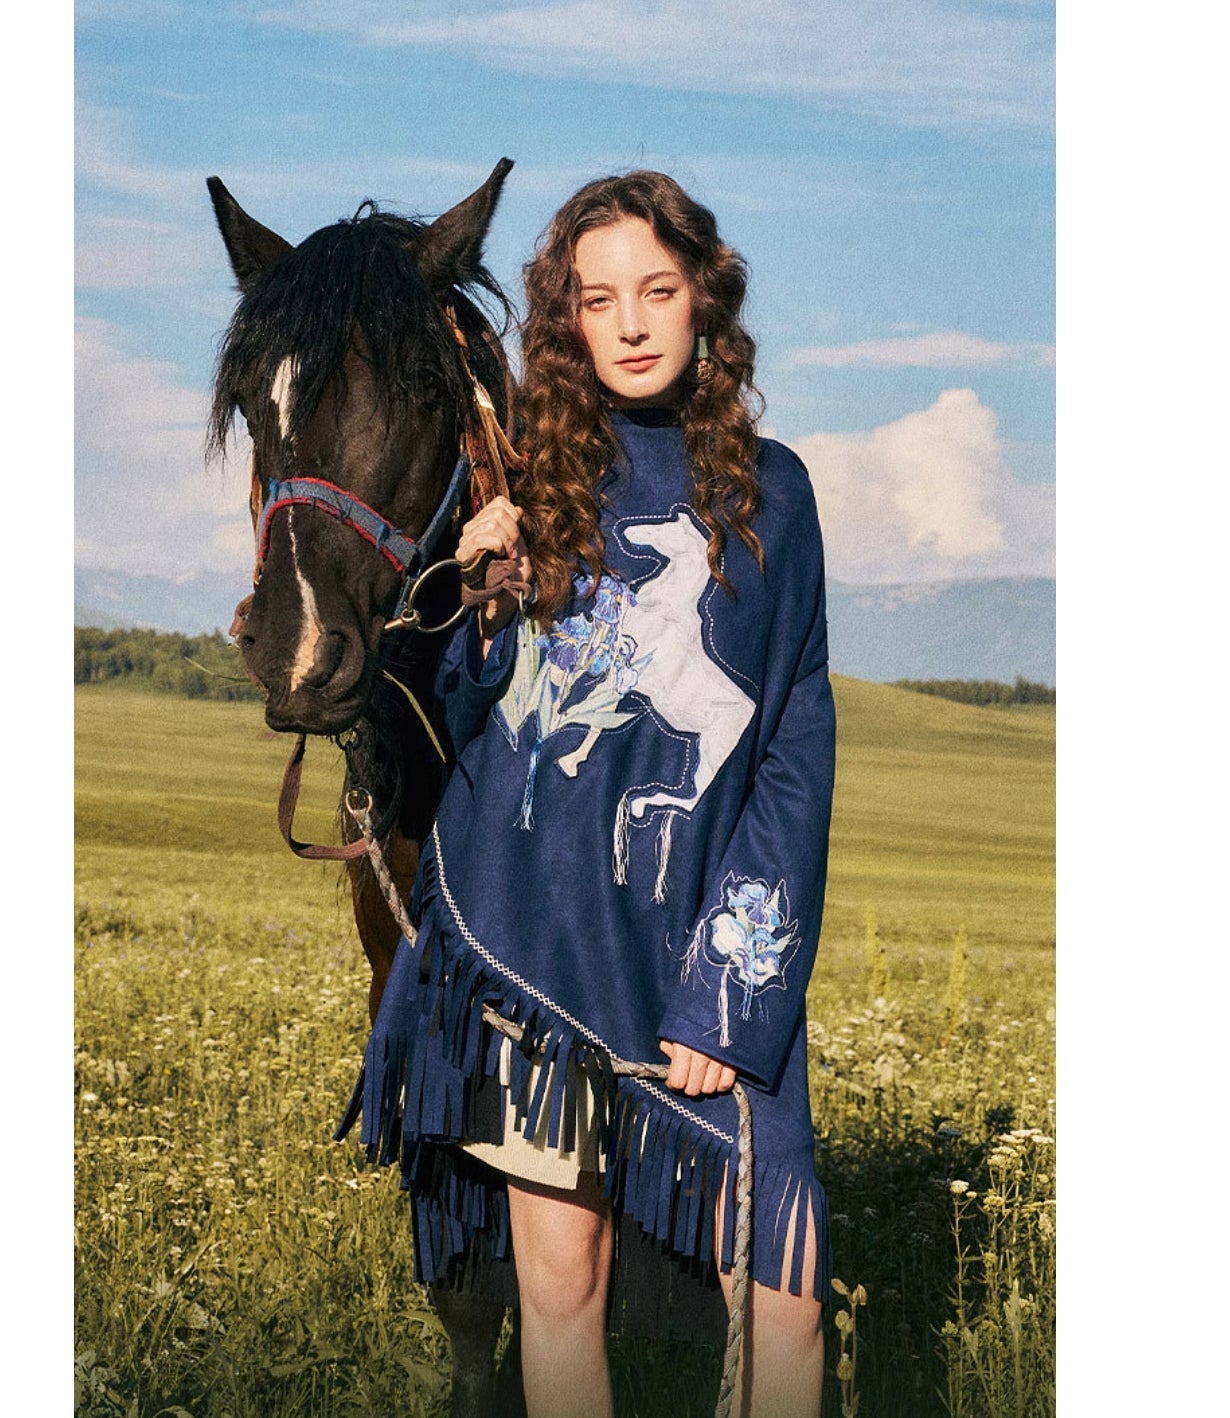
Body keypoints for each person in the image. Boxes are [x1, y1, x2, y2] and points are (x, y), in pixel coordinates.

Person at [345, 171, 835, 1417]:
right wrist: (470, 594)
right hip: (538, 942)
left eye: (655, 292)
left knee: (782, 1289)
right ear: (563, 321)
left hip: (695, 955)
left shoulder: (772, 494)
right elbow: (458, 721)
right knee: (558, 1279)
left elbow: (786, 749)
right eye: (596, 298)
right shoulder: (525, 486)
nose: (628, 324)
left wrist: (731, 996)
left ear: (702, 302)